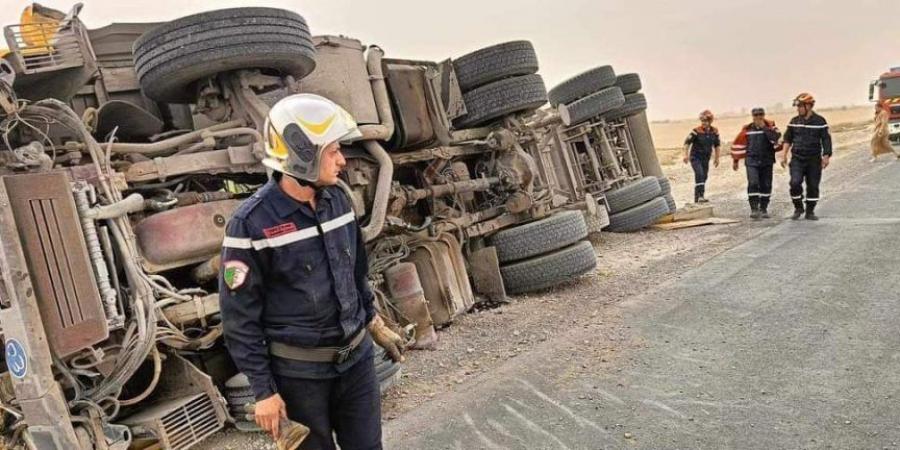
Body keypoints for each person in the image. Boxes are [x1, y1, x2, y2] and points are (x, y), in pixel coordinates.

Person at [219, 94, 405, 449]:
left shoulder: (339, 200)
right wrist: (264, 392)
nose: (343, 161)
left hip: (356, 362)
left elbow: (356, 273)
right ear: (302, 154)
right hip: (299, 378)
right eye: (333, 150)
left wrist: (375, 324)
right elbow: (238, 317)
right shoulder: (250, 224)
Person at [781, 92, 832, 221]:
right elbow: (787, 139)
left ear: (808, 106)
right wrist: (784, 155)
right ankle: (798, 208)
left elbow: (826, 139)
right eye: (797, 106)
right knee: (795, 183)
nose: (798, 109)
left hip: (814, 160)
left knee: (813, 186)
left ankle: (810, 211)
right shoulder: (794, 122)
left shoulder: (820, 121)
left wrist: (826, 156)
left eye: (800, 106)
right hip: (797, 159)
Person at [731, 108, 782, 219]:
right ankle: (754, 209)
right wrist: (735, 160)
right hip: (751, 161)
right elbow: (739, 143)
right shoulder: (747, 129)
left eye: (760, 114)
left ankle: (763, 208)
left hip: (767, 160)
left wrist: (764, 127)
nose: (758, 117)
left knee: (766, 185)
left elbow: (776, 138)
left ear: (764, 115)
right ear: (752, 116)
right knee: (753, 183)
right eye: (756, 115)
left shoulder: (771, 127)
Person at [683, 110, 721, 203]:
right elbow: (687, 143)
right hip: (695, 157)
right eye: (702, 121)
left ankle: (697, 199)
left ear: (710, 121)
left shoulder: (715, 132)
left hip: (706, 158)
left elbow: (717, 145)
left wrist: (717, 158)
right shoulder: (696, 131)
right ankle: (701, 196)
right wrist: (685, 155)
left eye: (705, 121)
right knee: (699, 174)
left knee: (704, 177)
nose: (703, 123)